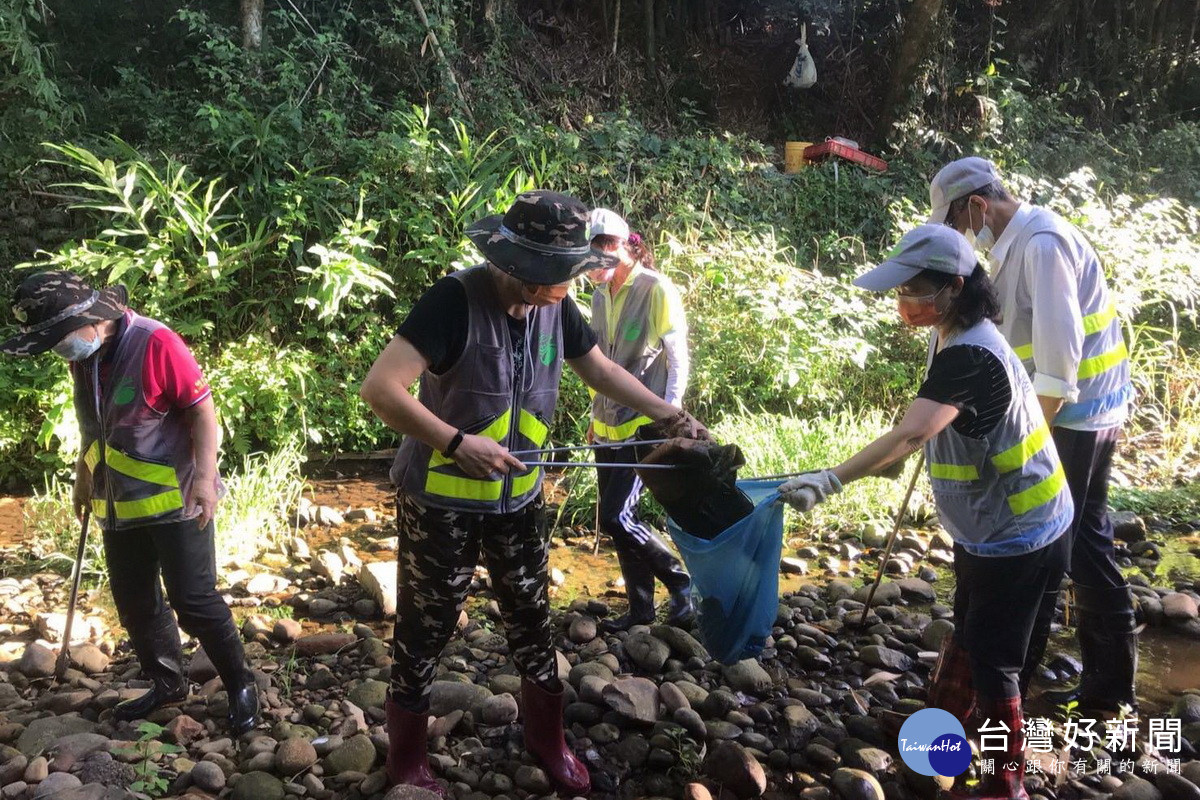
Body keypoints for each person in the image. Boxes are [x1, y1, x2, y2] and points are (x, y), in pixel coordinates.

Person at [359, 190, 708, 797]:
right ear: (513, 266)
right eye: (550, 282)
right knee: (427, 625)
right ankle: (406, 757)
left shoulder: (555, 305)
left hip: (518, 501)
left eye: (568, 279)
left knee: (532, 617)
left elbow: (599, 369)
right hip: (439, 504)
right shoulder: (453, 301)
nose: (561, 292)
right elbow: (381, 388)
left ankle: (548, 739)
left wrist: (668, 414)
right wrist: (453, 442)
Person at [779, 225, 1073, 800]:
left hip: (1019, 536)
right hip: (994, 530)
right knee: (968, 632)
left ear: (954, 287)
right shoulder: (956, 335)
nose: (903, 300)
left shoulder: (971, 354)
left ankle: (1002, 780)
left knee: (996, 664)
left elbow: (912, 433)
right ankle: (941, 736)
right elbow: (940, 428)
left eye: (914, 288)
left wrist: (832, 479)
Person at [0, 271, 259, 736]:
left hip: (178, 499)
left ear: (90, 320)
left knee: (193, 599)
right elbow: (91, 427)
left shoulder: (156, 342)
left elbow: (202, 408)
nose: (59, 349)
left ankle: (241, 684)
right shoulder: (85, 356)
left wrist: (204, 479)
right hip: (116, 503)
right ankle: (167, 682)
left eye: (59, 338)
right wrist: (83, 481)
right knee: (135, 602)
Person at [931, 157, 1137, 714]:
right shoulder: (1006, 248)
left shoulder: (1042, 245)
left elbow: (1059, 365)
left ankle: (1107, 688)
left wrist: (1031, 442)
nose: (957, 236)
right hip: (1060, 409)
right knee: (1059, 536)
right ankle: (1017, 674)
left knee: (1074, 537)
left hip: (1077, 412)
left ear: (978, 205)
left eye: (956, 221)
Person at [585, 208, 695, 633]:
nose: (589, 269)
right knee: (614, 521)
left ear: (618, 249)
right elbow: (599, 364)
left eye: (596, 258)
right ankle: (641, 608)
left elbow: (676, 355)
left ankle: (681, 581)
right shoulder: (598, 295)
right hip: (606, 425)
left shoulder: (655, 289)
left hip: (641, 424)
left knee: (618, 515)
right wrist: (594, 415)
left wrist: (670, 415)